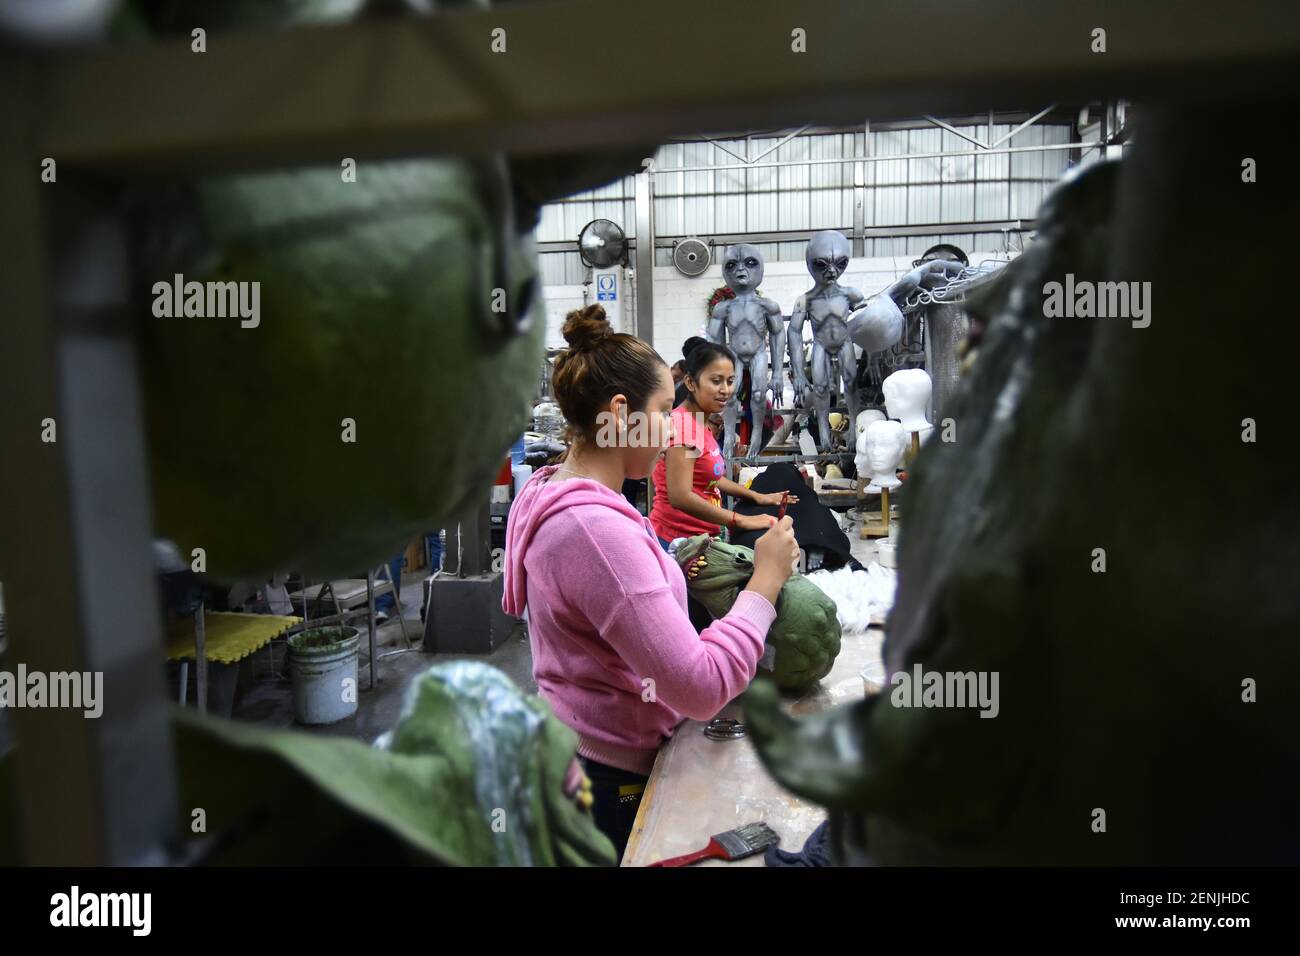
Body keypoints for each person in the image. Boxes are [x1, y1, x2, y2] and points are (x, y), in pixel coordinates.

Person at [501, 305, 799, 860]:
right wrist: (765, 582)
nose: (670, 430)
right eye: (664, 411)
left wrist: (665, 568)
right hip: (608, 783)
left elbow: (600, 605)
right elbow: (699, 687)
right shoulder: (593, 529)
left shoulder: (559, 492)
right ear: (621, 414)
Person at [651, 341, 797, 548]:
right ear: (691, 383)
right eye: (716, 381)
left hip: (700, 537)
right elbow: (680, 496)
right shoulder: (684, 428)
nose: (725, 390)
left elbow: (710, 477)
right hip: (679, 543)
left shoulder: (700, 422)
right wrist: (741, 520)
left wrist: (757, 496)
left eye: (730, 381)